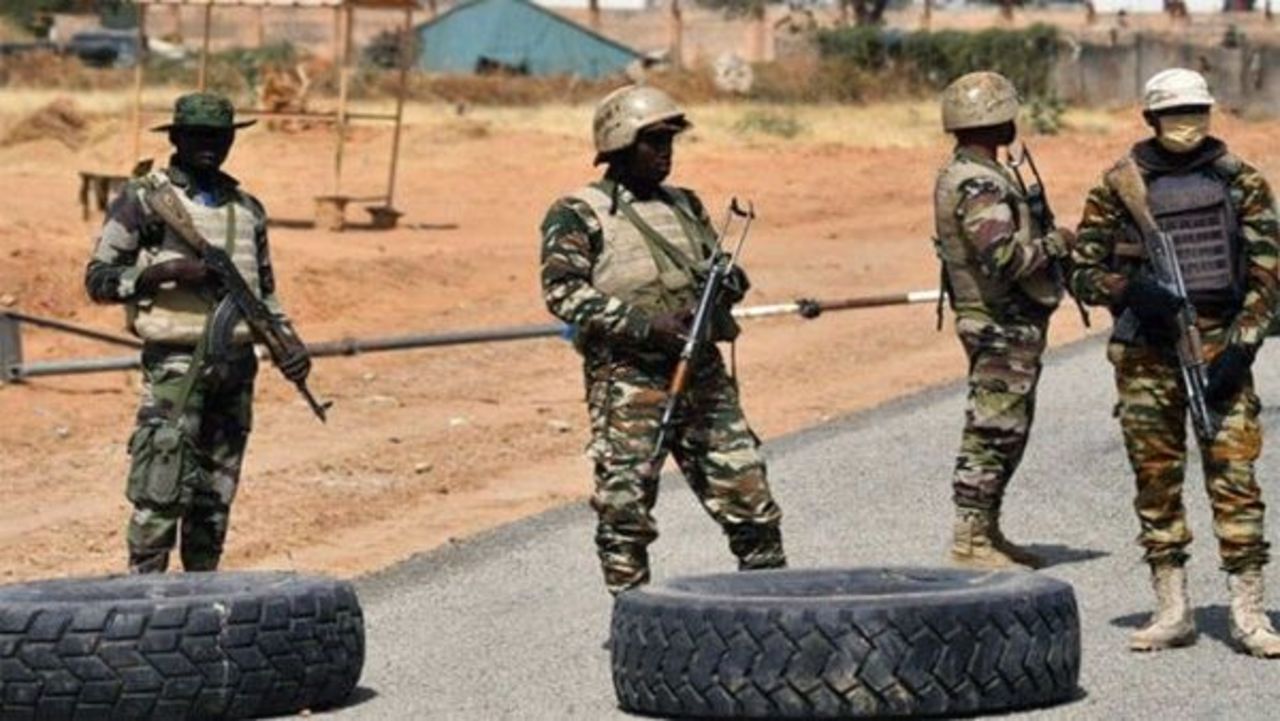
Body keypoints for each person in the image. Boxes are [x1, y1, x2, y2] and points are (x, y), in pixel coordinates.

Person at [539, 85, 786, 595]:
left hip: (701, 373)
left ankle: (770, 609)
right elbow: (563, 293)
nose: (666, 152)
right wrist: (646, 325)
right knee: (625, 512)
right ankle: (632, 617)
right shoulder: (578, 213)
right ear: (620, 143)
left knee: (750, 500)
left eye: (671, 141)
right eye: (654, 142)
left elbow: (717, 266)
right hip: (629, 380)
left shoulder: (685, 205)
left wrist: (725, 286)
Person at [1070, 68, 1280, 656]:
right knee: (1156, 479)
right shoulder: (1118, 186)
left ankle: (1249, 613)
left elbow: (1269, 274)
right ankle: (1172, 608)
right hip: (1146, 352)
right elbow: (1081, 270)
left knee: (1235, 478)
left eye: (1195, 112)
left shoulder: (1241, 182)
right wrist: (1128, 290)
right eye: (1174, 114)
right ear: (1151, 120)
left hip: (1219, 341)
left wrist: (1242, 346)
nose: (1186, 124)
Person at [85, 92, 310, 574]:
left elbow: (264, 294)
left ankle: (202, 591)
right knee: (161, 483)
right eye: (198, 136)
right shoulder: (144, 200)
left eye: (220, 137)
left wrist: (289, 345)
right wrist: (163, 273)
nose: (210, 146)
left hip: (236, 367)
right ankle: (144, 591)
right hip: (176, 364)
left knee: (215, 496)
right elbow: (99, 280)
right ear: (177, 138)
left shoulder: (248, 210)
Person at [932, 71, 1074, 569]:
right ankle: (970, 541)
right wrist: (1057, 244)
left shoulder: (978, 172)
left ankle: (987, 532)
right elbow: (1005, 259)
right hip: (997, 322)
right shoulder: (978, 183)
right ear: (994, 120)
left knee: (1009, 428)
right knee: (992, 430)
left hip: (1004, 321)